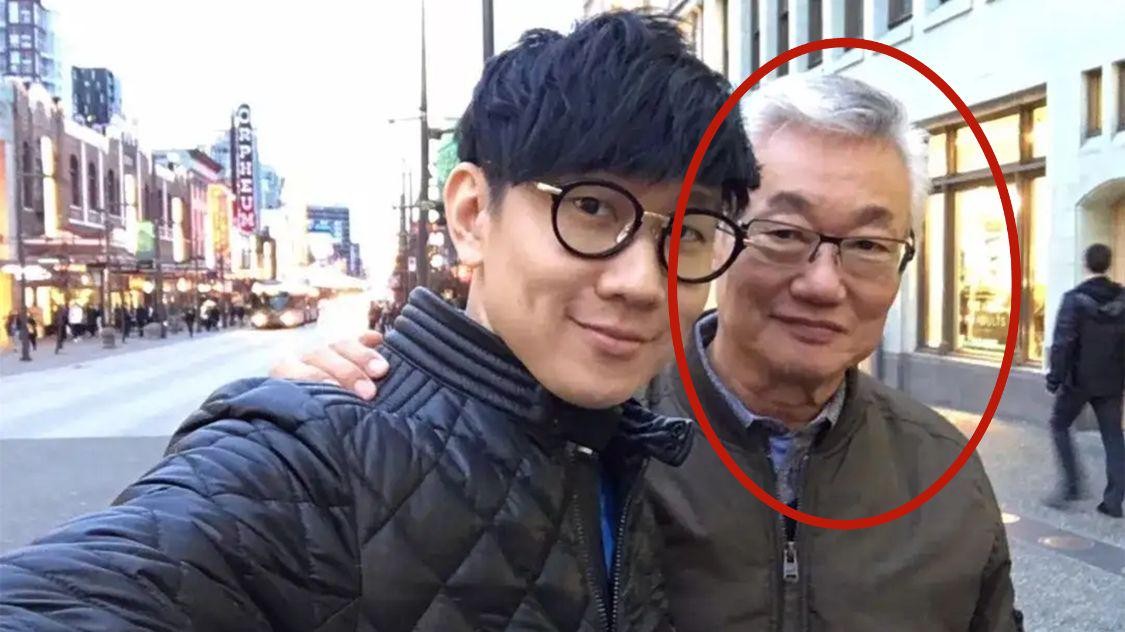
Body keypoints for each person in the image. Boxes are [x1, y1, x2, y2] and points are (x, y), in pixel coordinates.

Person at [0, 11, 758, 630]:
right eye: (590, 209)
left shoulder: (627, 445)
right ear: (471, 215)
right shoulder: (310, 458)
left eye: (689, 233)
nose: (641, 282)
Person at [280, 75, 1023, 631]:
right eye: (784, 234)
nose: (823, 283)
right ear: (712, 241)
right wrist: (320, 411)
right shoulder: (586, 429)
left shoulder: (943, 470)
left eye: (867, 245)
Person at [1044, 243, 1125, 518]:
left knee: (1059, 424)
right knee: (1113, 436)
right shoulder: (1122, 299)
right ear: (1108, 264)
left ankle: (1072, 485)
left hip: (1078, 380)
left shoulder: (1074, 300)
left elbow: (1063, 342)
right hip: (1112, 381)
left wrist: (1055, 378)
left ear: (1086, 264)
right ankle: (1113, 501)